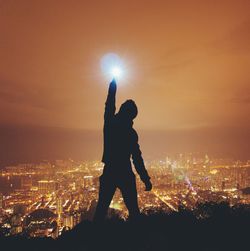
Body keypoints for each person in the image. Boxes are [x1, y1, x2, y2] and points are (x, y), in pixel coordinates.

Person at [94, 79, 152, 221]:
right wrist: (145, 179)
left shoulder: (110, 124)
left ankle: (93, 239)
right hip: (125, 171)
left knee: (101, 210)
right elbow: (137, 159)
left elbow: (109, 105)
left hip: (110, 169)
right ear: (132, 116)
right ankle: (138, 239)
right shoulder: (131, 133)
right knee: (134, 211)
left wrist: (113, 87)